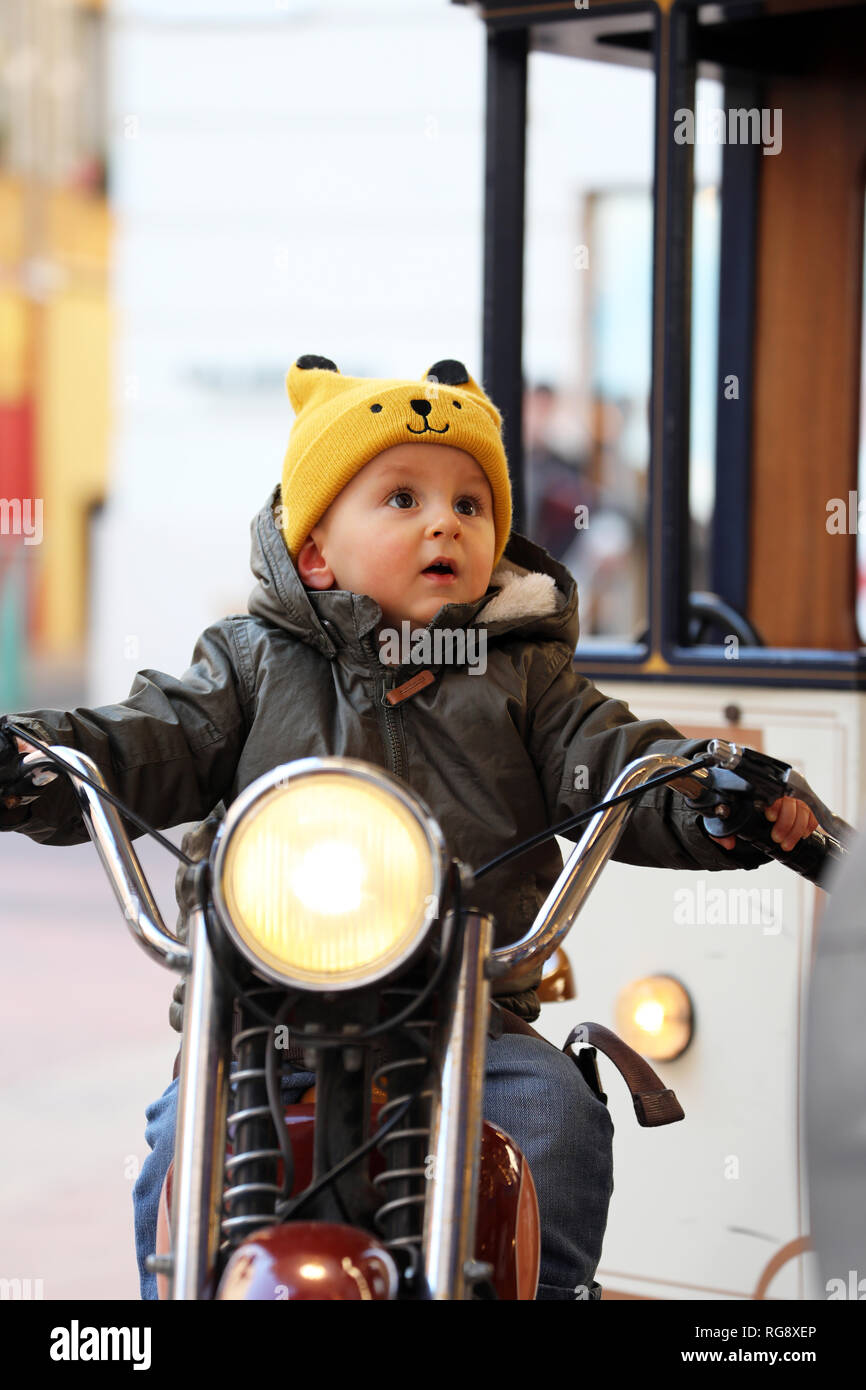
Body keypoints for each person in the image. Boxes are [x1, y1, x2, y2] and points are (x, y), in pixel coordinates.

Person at [0, 355, 818, 1301]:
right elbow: (142, 738)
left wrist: (705, 796)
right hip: (265, 1015)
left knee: (554, 1118)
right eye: (401, 498)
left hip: (470, 1010)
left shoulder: (523, 678)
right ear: (314, 550)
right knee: (179, 1155)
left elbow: (614, 758)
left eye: (472, 506)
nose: (446, 522)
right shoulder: (250, 663)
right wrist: (37, 759)